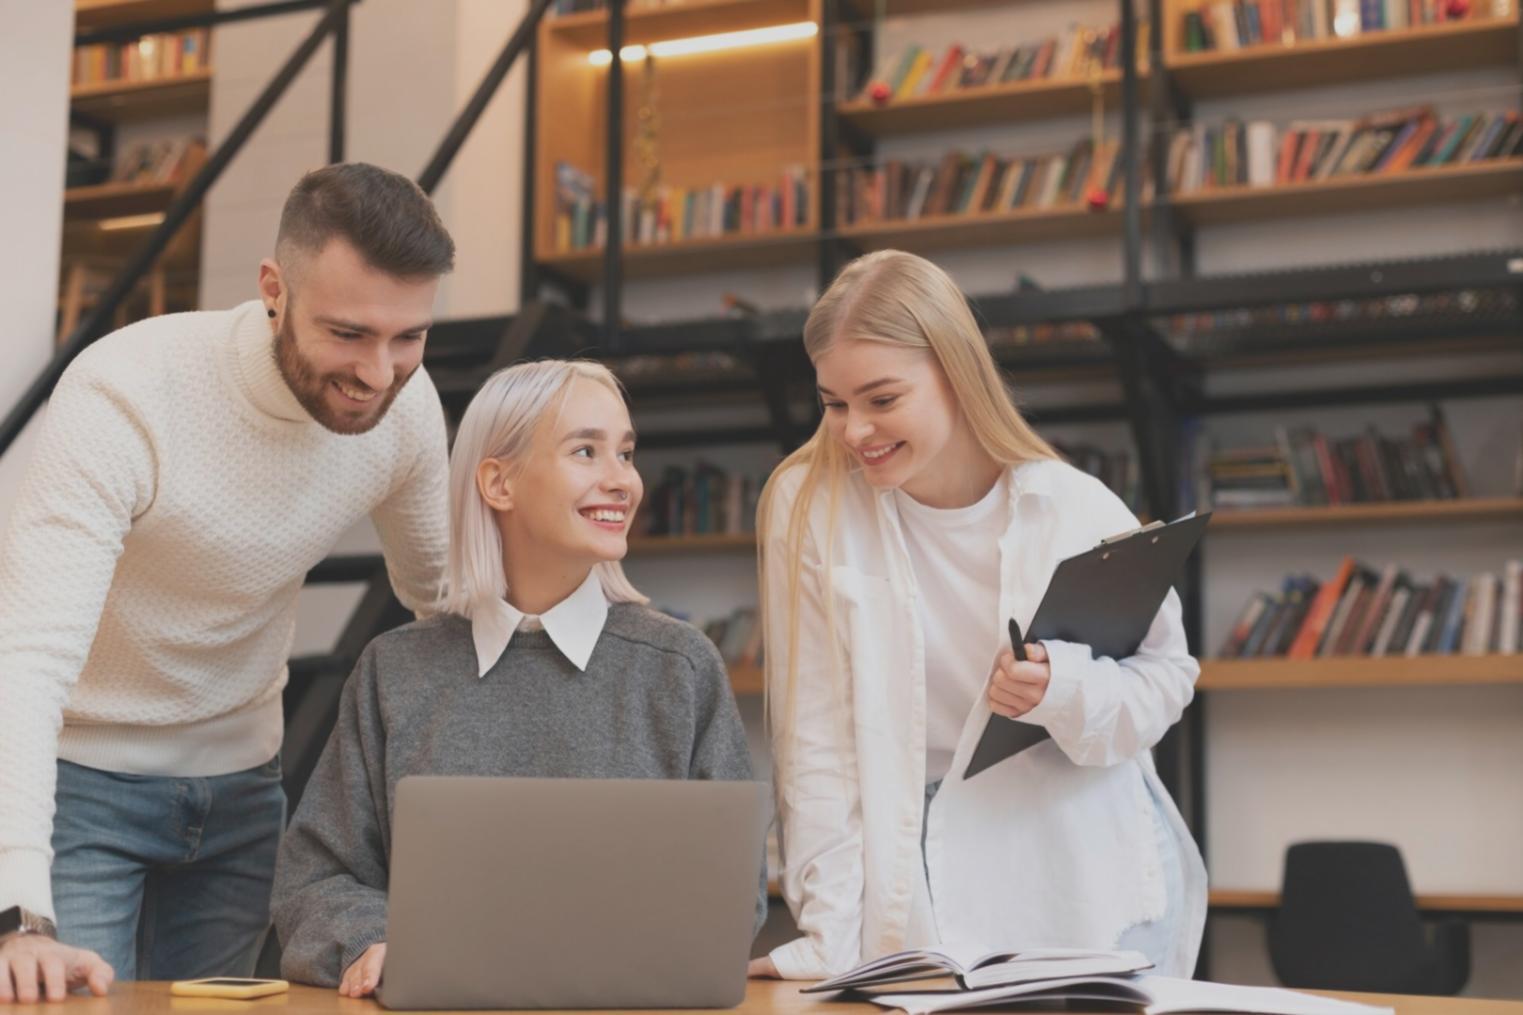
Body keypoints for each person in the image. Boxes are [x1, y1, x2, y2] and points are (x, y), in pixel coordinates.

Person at [0, 163, 456, 1002]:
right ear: (274, 289)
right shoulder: (127, 391)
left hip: (244, 792)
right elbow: (25, 660)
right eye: (349, 333)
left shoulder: (406, 409)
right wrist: (17, 907)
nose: (381, 372)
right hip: (78, 785)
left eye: (409, 337)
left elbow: (449, 608)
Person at [749, 250, 1206, 982]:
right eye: (834, 403)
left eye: (882, 399)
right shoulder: (809, 503)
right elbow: (814, 742)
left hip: (1083, 872)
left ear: (956, 374)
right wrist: (827, 929)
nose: (854, 430)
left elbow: (1165, 679)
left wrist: (1063, 688)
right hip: (919, 869)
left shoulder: (1072, 503)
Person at [270, 360, 763, 996]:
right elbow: (315, 881)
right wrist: (376, 940)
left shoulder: (681, 669)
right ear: (499, 482)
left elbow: (731, 894)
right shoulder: (394, 672)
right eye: (587, 451)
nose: (623, 481)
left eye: (626, 453)